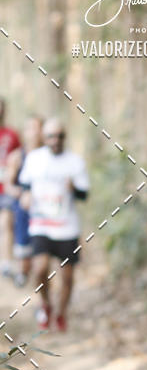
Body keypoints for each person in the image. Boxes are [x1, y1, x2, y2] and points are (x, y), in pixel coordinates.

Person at [19, 118, 90, 331]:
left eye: (59, 136)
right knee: (40, 268)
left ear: (64, 138)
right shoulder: (34, 159)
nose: (55, 140)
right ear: (44, 138)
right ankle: (46, 305)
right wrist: (26, 195)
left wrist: (73, 189)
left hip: (67, 226)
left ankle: (61, 312)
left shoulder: (75, 162)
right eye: (51, 136)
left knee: (67, 277)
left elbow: (84, 194)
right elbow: (25, 184)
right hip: (41, 224)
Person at [4, 115, 44, 287]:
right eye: (30, 128)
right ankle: (20, 270)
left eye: (37, 128)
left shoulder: (48, 155)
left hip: (45, 212)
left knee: (42, 261)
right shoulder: (17, 157)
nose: (33, 132)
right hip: (23, 211)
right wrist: (20, 194)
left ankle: (42, 301)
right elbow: (8, 184)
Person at [0, 99, 21, 278]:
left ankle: (6, 262)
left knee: (6, 222)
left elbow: (21, 156)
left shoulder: (12, 134)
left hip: (5, 188)